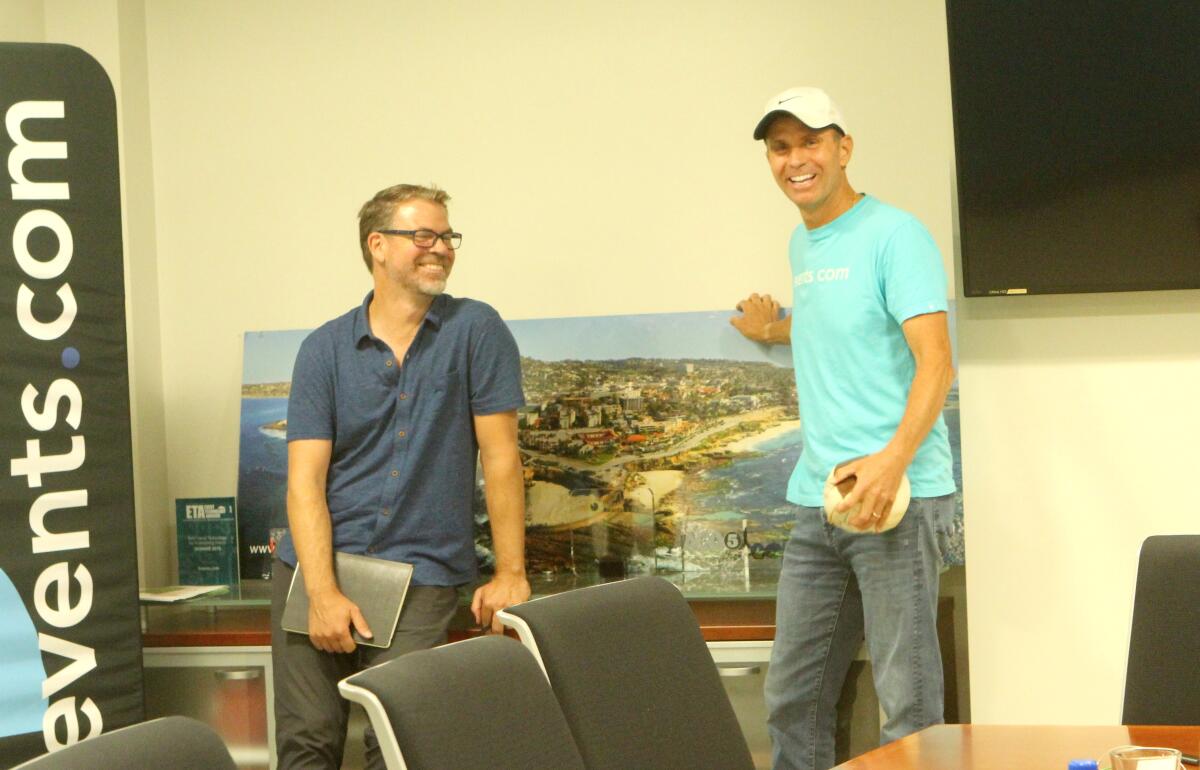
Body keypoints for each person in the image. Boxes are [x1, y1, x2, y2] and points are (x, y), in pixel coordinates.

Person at [731, 87, 957, 770]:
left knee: (907, 705)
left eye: (811, 141)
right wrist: (774, 329)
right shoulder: (804, 242)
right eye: (781, 146)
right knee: (792, 700)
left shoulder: (896, 234)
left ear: (844, 148)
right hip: (818, 503)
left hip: (900, 497)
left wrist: (891, 462)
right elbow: (845, 321)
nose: (796, 159)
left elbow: (937, 363)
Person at [270, 183, 530, 769]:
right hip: (315, 566)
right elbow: (304, 482)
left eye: (446, 236)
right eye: (422, 236)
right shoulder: (323, 350)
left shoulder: (475, 330)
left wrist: (511, 571)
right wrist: (321, 592)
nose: (438, 247)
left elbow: (502, 457)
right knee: (306, 742)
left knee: (396, 743)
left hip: (421, 573)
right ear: (378, 246)